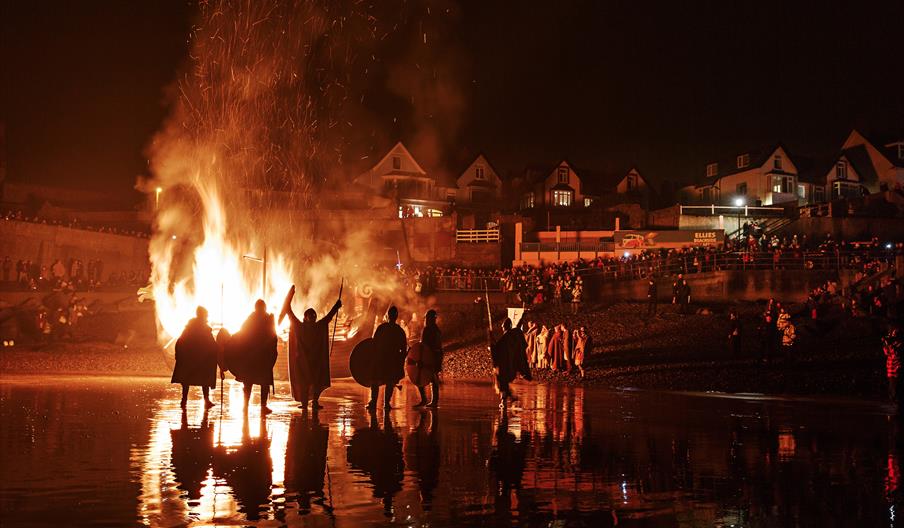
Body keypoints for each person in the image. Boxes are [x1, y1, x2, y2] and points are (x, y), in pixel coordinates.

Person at [280, 285, 341, 411]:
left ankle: (313, 402)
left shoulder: (305, 326)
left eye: (314, 316)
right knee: (306, 383)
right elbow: (289, 311)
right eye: (311, 316)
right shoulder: (302, 326)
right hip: (305, 362)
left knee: (312, 382)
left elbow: (288, 310)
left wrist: (336, 306)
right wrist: (337, 306)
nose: (313, 317)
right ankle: (306, 403)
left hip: (308, 362)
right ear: (306, 317)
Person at [231, 299, 278, 414]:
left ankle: (250, 406)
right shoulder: (264, 319)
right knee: (259, 382)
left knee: (252, 382)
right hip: (258, 357)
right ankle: (260, 406)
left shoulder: (254, 319)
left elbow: (242, 334)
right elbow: (272, 336)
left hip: (254, 356)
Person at [171, 306, 219, 409]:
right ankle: (205, 400)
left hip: (189, 358)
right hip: (201, 358)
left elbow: (180, 341)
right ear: (203, 315)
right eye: (206, 314)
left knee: (187, 380)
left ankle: (184, 400)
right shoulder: (204, 329)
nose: (207, 316)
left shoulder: (189, 328)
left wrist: (179, 354)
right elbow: (211, 344)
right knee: (204, 379)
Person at [369, 306, 408, 410]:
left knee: (375, 381)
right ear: (396, 316)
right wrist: (400, 362)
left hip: (381, 359)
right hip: (392, 360)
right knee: (390, 382)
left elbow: (373, 344)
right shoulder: (399, 331)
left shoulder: (381, 328)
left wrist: (372, 358)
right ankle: (386, 403)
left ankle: (373, 402)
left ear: (388, 315)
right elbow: (403, 350)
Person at [490, 318, 532, 408]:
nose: (502, 328)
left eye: (502, 326)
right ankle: (510, 399)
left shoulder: (506, 337)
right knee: (503, 384)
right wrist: (523, 316)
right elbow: (517, 327)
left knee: (502, 383)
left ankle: (507, 400)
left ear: (505, 326)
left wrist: (492, 347)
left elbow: (497, 349)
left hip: (504, 366)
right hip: (509, 365)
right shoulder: (513, 335)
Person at [415, 309, 443, 407]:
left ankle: (428, 400)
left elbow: (424, 345)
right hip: (436, 356)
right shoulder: (436, 329)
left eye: (427, 318)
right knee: (432, 378)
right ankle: (432, 401)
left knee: (419, 377)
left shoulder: (428, 329)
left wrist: (420, 356)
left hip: (429, 357)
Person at [884, 325, 902, 406]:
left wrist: (890, 344)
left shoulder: (900, 344)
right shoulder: (893, 343)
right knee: (891, 390)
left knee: (896, 390)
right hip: (890, 371)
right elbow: (887, 353)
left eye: (894, 335)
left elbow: (895, 354)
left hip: (896, 372)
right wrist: (886, 344)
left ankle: (897, 405)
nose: (892, 336)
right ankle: (893, 404)